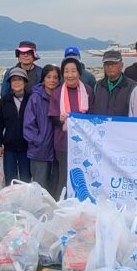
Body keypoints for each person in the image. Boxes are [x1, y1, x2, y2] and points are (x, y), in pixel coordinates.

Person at [49, 54, 95, 198]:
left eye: (73, 71)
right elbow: (52, 117)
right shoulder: (57, 93)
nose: (70, 75)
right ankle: (61, 204)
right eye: (66, 71)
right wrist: (60, 119)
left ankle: (82, 203)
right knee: (64, 176)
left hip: (83, 143)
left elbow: (93, 115)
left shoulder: (88, 91)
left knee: (83, 175)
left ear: (79, 73)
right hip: (63, 142)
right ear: (63, 74)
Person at [23, 64, 61, 197]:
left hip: (57, 150)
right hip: (39, 151)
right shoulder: (35, 98)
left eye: (55, 77)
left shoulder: (61, 97)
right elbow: (28, 125)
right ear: (43, 79)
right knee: (39, 188)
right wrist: (39, 141)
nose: (52, 80)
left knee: (54, 188)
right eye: (49, 77)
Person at [0, 68, 32, 185]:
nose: (16, 82)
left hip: (27, 147)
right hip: (9, 147)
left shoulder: (31, 99)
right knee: (10, 179)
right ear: (10, 83)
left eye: (19, 79)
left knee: (26, 179)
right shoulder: (5, 101)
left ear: (25, 82)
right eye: (13, 80)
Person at [90, 50, 136, 117]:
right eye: (107, 64)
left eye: (114, 64)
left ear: (121, 65)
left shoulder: (132, 86)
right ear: (103, 66)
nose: (110, 67)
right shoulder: (98, 85)